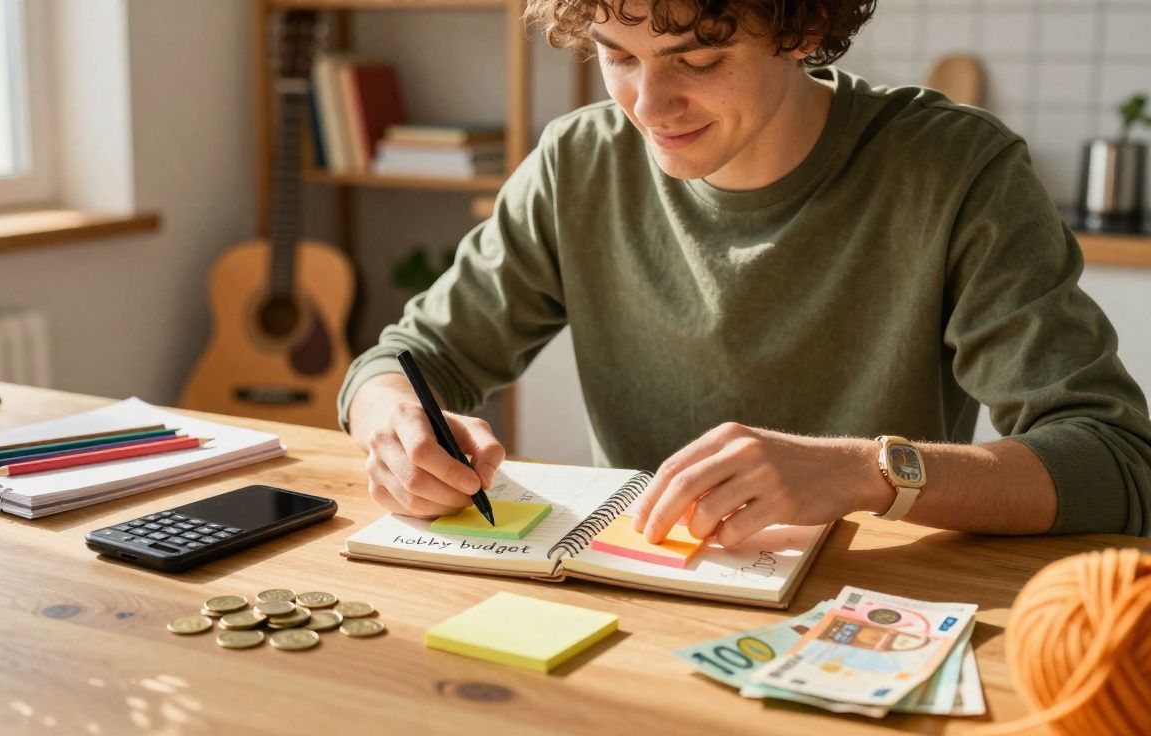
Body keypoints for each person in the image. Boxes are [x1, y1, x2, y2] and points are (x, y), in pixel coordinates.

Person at [336, 0, 1151, 548]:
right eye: (618, 57)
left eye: (697, 59)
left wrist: (862, 472)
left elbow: (1117, 460)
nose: (649, 105)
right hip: (641, 602)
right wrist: (398, 426)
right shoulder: (579, 162)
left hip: (869, 618)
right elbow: (406, 360)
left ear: (800, 28)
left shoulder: (954, 170)